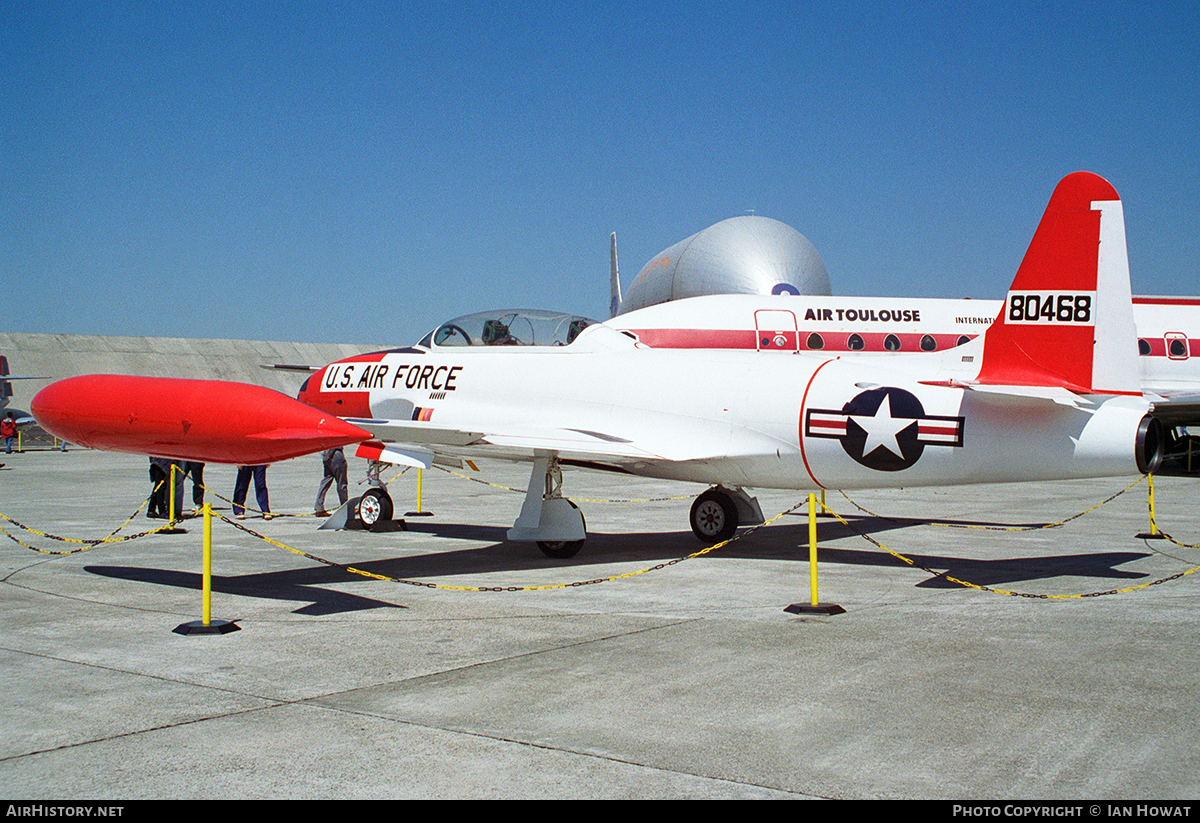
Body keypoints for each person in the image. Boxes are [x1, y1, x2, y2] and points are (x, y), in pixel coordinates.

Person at [314, 447, 348, 517]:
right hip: (335, 453)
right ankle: (345, 506)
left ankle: (319, 507)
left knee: (326, 481)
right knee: (341, 483)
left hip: (326, 455)